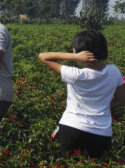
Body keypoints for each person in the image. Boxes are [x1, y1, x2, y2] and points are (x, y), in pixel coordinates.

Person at [39, 30, 125, 158]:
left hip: (72, 128)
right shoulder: (114, 71)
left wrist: (74, 57)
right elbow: (121, 100)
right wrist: (104, 107)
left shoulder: (75, 74)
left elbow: (43, 56)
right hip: (101, 132)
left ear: (78, 51)